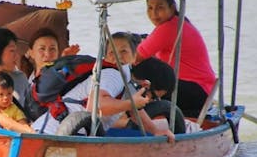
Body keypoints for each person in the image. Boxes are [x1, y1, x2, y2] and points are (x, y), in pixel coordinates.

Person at [32, 32, 175, 142]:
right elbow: (98, 105)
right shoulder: (112, 75)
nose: (117, 57)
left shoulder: (125, 74)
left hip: (54, 133)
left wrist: (155, 131)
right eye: (112, 53)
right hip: (51, 134)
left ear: (134, 56)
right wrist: (131, 102)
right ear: (106, 57)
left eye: (123, 52)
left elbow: (136, 111)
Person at [136, 0, 216, 117]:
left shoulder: (169, 27)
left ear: (172, 8)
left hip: (196, 91)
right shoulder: (177, 22)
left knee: (140, 69)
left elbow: (134, 58)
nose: (154, 13)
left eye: (160, 7)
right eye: (150, 8)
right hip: (204, 91)